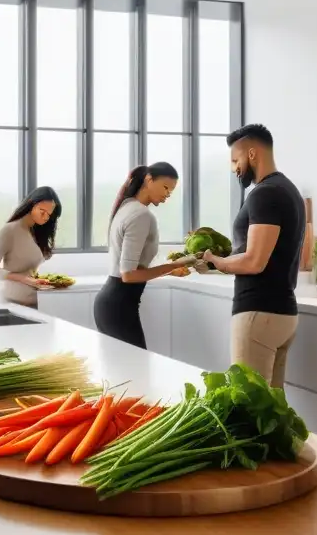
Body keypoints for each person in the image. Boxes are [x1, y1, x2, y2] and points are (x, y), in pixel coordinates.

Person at [203, 124, 305, 389]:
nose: (234, 168)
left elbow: (254, 261)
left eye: (235, 160)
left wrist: (218, 262)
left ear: (252, 153)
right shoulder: (289, 190)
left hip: (259, 314)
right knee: (271, 411)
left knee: (246, 406)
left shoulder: (265, 194)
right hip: (282, 313)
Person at [94, 163, 196, 349]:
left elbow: (131, 269)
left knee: (122, 372)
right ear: (148, 179)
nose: (167, 194)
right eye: (165, 187)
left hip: (112, 303)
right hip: (119, 307)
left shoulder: (126, 206)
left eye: (171, 191)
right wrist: (174, 265)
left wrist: (169, 272)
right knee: (135, 372)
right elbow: (128, 275)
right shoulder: (141, 214)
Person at [0, 187, 61, 308]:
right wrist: (25, 279)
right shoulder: (9, 230)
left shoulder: (34, 232)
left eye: (49, 215)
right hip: (10, 305)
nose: (46, 217)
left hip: (32, 304)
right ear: (32, 204)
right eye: (42, 211)